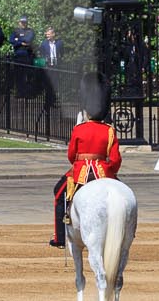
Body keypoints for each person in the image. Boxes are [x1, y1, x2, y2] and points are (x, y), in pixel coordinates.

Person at [51, 75, 121, 247]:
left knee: (59, 196)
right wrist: (109, 170)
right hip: (104, 172)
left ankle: (60, 239)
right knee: (122, 197)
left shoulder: (79, 129)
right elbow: (115, 159)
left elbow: (71, 155)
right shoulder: (109, 131)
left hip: (80, 172)